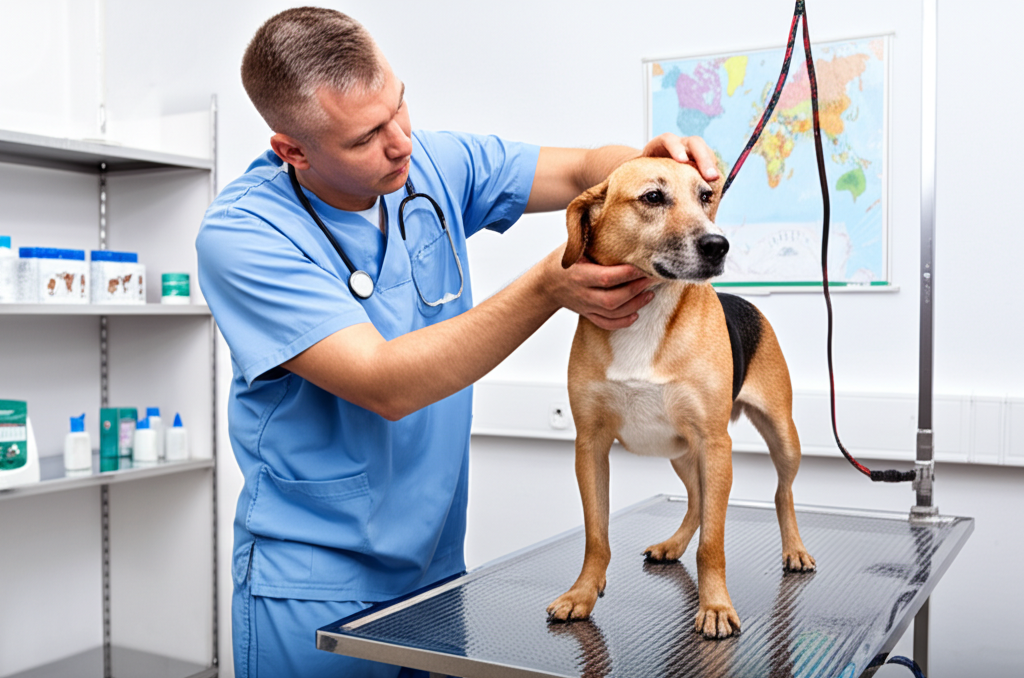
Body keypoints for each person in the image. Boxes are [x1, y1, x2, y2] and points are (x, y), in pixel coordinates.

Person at [196, 6, 719, 678]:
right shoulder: (243, 237)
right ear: (293, 150)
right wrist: (547, 288)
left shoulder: (434, 165)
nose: (400, 144)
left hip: (436, 566)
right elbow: (386, 383)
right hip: (313, 582)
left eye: (399, 108)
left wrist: (655, 169)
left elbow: (586, 169)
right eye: (365, 138)